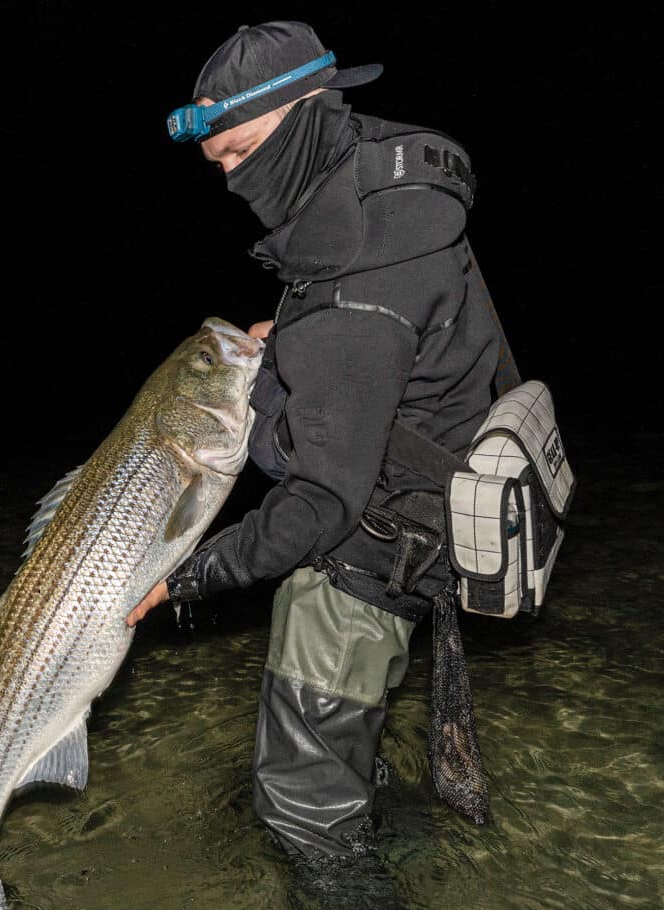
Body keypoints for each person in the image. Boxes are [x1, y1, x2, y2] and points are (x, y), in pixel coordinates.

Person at [127, 21, 500, 864]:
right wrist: (297, 340)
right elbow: (390, 344)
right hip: (438, 489)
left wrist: (180, 579)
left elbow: (317, 508)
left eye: (241, 150)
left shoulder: (355, 295)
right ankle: (386, 831)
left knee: (301, 807)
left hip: (372, 547)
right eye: (215, 159)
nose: (229, 178)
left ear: (306, 109)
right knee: (341, 752)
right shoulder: (388, 185)